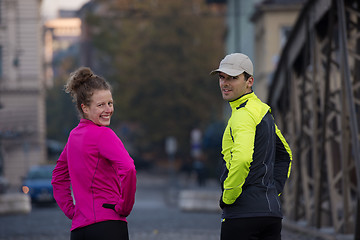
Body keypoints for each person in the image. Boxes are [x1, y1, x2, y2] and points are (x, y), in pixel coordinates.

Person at [210, 53, 292, 240]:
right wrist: (272, 191)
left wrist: (228, 198)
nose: (225, 83)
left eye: (233, 78)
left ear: (249, 81)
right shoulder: (263, 111)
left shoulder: (242, 115)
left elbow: (242, 159)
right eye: (222, 77)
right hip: (271, 214)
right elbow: (285, 155)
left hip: (242, 215)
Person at [51, 67, 137, 240]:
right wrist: (124, 208)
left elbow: (58, 178)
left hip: (79, 230)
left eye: (110, 103)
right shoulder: (104, 134)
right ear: (85, 108)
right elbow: (129, 169)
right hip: (108, 226)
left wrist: (72, 211)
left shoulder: (73, 137)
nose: (108, 109)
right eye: (100, 105)